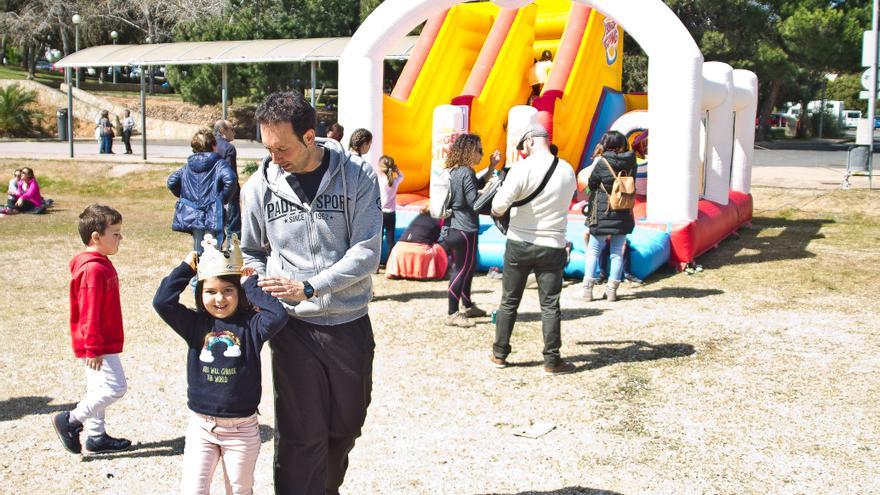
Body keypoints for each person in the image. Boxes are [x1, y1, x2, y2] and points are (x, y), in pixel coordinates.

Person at [240, 91, 381, 494]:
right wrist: (267, 294)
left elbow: (367, 251)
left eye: (281, 147)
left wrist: (310, 286)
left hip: (348, 321)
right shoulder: (259, 187)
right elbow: (252, 251)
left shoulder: (357, 176)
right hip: (293, 327)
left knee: (346, 423)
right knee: (301, 434)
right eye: (267, 147)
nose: (274, 157)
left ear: (309, 137)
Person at [153, 235, 288, 494]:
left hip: (241, 430)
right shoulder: (194, 324)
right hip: (201, 427)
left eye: (228, 290)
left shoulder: (252, 325)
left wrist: (251, 285)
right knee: (193, 489)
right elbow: (162, 302)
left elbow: (278, 315)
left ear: (239, 293)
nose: (219, 299)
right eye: (210, 291)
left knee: (238, 490)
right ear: (200, 292)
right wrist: (185, 269)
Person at [490, 124, 577, 376]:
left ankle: (499, 354)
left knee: (509, 301)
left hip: (519, 242)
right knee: (550, 305)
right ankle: (552, 360)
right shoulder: (567, 169)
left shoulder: (521, 168)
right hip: (553, 244)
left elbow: (498, 207)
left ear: (528, 142)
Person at [52, 204, 132, 454]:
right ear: (96, 237)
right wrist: (94, 347)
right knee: (115, 387)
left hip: (98, 341)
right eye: (115, 233)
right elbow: (89, 311)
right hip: (97, 343)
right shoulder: (93, 268)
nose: (120, 238)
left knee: (97, 389)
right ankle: (71, 420)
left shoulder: (101, 262)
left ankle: (96, 437)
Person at [443, 133, 501, 328]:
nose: (481, 154)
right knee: (461, 269)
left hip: (454, 227)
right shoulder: (465, 172)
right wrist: (492, 193)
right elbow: (473, 202)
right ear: (469, 151)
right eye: (479, 150)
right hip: (463, 228)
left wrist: (491, 168)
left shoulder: (457, 171)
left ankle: (467, 304)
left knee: (467, 267)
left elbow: (474, 185)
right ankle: (453, 313)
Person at [580, 130, 637, 302]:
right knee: (617, 253)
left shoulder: (602, 162)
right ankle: (612, 291)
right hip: (624, 211)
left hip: (603, 212)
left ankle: (587, 291)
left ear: (606, 144)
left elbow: (591, 183)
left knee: (593, 251)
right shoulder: (631, 161)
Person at [167, 129, 237, 255]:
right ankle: (208, 274)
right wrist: (223, 198)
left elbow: (172, 181)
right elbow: (230, 179)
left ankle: (198, 273)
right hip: (214, 212)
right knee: (214, 251)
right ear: (214, 145)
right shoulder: (219, 164)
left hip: (193, 214)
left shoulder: (188, 166)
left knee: (198, 249)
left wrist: (185, 196)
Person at [385, 205, 448, 280]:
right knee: (439, 248)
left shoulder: (418, 217)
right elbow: (438, 239)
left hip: (398, 249)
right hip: (420, 251)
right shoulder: (437, 221)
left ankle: (401, 272)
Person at [214, 119, 241, 241]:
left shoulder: (209, 145)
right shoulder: (229, 148)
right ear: (223, 130)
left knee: (215, 228)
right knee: (233, 228)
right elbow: (230, 174)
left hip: (211, 191)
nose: (234, 133)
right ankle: (232, 252)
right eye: (232, 129)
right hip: (228, 192)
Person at [377, 155, 404, 259]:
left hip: (380, 213)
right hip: (391, 213)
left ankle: (377, 265)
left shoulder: (379, 181)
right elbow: (402, 176)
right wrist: (396, 170)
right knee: (390, 238)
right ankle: (390, 263)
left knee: (378, 239)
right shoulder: (394, 181)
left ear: (380, 168)